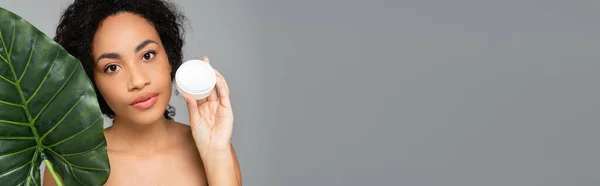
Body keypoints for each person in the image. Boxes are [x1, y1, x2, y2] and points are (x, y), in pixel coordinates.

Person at [43, 0, 241, 185]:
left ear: (169, 56)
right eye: (112, 67)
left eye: (148, 55)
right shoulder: (71, 164)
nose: (138, 81)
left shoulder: (214, 147)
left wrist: (216, 154)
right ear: (91, 80)